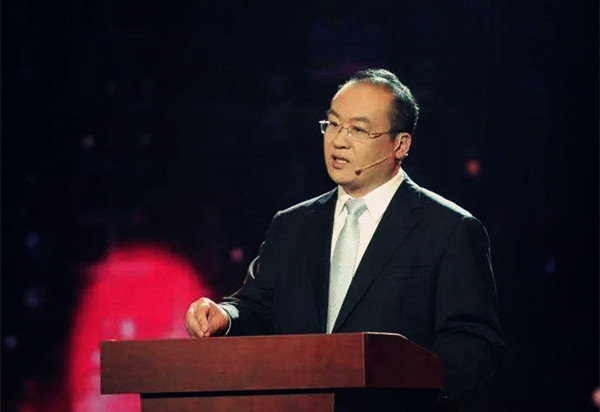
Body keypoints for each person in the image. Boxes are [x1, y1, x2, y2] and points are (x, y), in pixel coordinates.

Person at [185, 69, 503, 402]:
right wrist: (225, 316)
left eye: (358, 130)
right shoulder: (292, 225)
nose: (338, 141)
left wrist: (408, 383)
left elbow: (473, 342)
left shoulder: (449, 229)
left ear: (400, 144)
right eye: (333, 124)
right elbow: (257, 306)